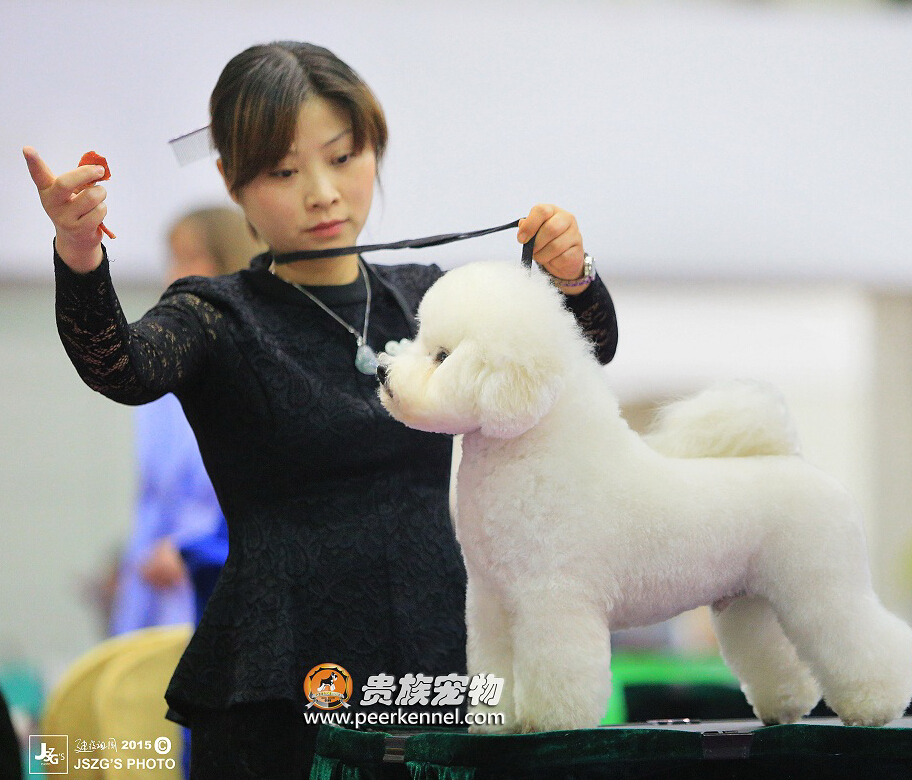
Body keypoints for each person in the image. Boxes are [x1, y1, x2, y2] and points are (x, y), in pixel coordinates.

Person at [25, 40, 618, 779]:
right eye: (283, 171)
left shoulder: (429, 297)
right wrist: (79, 253)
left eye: (343, 157)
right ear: (231, 181)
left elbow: (584, 353)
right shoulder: (215, 314)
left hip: (441, 650)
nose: (323, 193)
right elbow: (120, 366)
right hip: (281, 676)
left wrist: (573, 277)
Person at [110, 208, 259, 636]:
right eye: (172, 259)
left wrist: (190, 552)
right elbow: (153, 498)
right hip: (153, 584)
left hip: (221, 580)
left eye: (191, 257)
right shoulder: (162, 371)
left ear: (230, 261)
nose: (174, 275)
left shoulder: (255, 368)